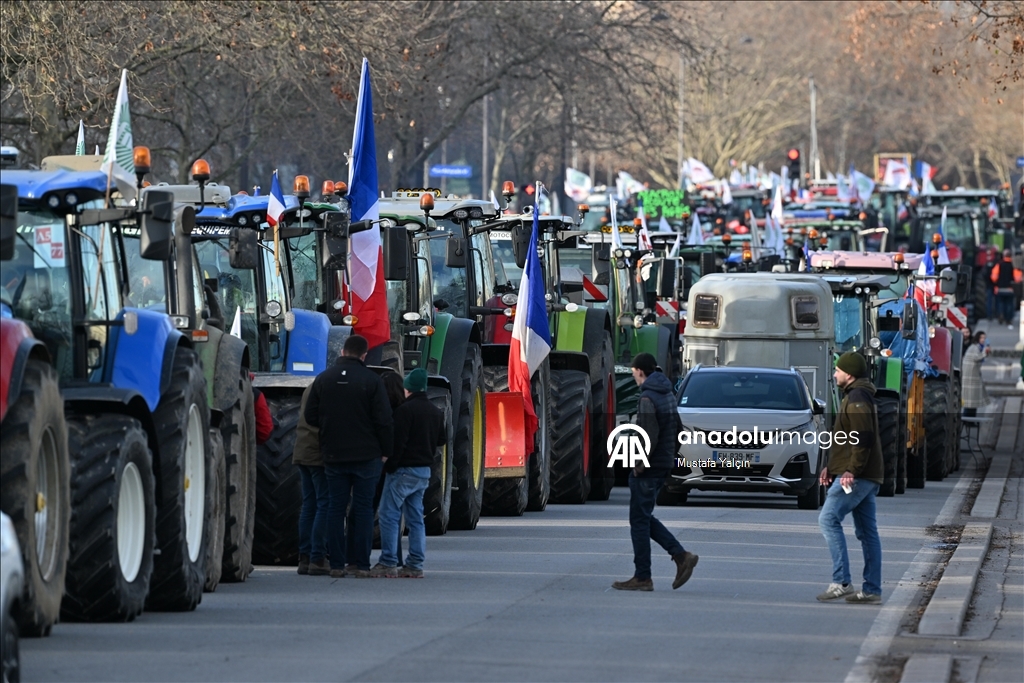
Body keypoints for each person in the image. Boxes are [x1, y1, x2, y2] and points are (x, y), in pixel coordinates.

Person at [305, 334, 393, 579]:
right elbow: (384, 420)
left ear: (342, 352)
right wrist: (386, 451)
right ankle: (361, 564)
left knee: (335, 508)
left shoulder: (324, 379)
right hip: (368, 457)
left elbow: (311, 417)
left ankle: (336, 565)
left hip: (333, 454)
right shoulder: (372, 381)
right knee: (364, 509)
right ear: (364, 355)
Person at [612, 353, 698, 592]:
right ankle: (681, 556)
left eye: (633, 373)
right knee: (643, 517)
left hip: (648, 468)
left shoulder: (648, 398)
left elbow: (648, 436)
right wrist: (669, 457)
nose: (633, 377)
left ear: (640, 371)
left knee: (639, 521)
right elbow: (678, 429)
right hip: (661, 465)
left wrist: (639, 464)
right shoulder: (668, 394)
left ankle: (643, 576)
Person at [817, 352, 884, 604]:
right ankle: (872, 590)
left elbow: (862, 437)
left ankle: (842, 581)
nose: (834, 374)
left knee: (827, 519)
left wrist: (851, 471)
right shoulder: (855, 395)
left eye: (838, 370)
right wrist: (831, 467)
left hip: (857, 476)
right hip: (863, 474)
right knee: (867, 533)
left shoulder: (856, 398)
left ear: (850, 374)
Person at [371, 369, 444, 578]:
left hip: (403, 471)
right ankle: (415, 565)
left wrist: (390, 466)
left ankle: (388, 562)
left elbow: (398, 443)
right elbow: (442, 440)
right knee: (415, 519)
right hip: (423, 472)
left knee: (388, 515)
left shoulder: (404, 411)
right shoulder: (435, 411)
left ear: (408, 388)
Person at [293, 383, 328, 575]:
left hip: (303, 450)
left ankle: (304, 558)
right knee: (325, 503)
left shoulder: (310, 388)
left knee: (309, 505)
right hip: (317, 453)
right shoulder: (328, 388)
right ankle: (318, 558)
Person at [990, 249, 1022, 327]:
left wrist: (997, 283)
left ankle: (1001, 315)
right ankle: (1008, 319)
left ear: (1003, 256)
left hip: (1000, 288)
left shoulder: (999, 264)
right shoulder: (1013, 265)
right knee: (1010, 304)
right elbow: (1018, 278)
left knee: (1000, 303)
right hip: (1010, 289)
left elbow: (993, 277)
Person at [961, 331, 990, 417]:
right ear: (978, 338)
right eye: (981, 338)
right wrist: (985, 352)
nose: (983, 340)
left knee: (973, 398)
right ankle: (968, 417)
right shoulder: (974, 347)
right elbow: (977, 357)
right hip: (970, 377)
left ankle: (970, 417)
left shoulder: (977, 347)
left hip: (973, 376)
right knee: (971, 398)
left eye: (984, 338)